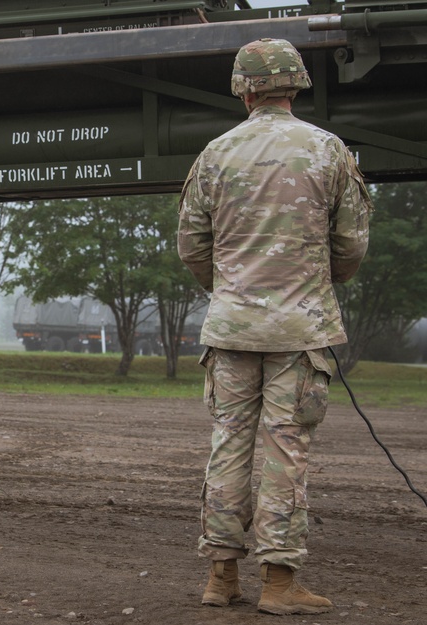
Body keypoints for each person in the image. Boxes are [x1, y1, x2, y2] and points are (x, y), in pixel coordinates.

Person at [177, 39, 371, 615]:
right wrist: (314, 284)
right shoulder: (327, 150)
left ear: (244, 89)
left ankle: (220, 578)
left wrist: (232, 289)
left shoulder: (215, 154)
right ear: (296, 84)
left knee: (228, 444)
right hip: (300, 331)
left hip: (231, 326)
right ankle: (281, 585)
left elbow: (192, 244)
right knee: (286, 450)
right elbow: (351, 243)